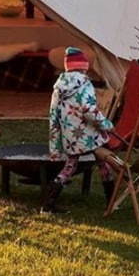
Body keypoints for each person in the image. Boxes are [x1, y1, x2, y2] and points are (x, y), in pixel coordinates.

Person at [44, 46, 117, 213]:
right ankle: (111, 201)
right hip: (90, 136)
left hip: (70, 137)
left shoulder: (58, 88)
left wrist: (55, 146)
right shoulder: (85, 84)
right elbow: (89, 110)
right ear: (83, 67)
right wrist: (106, 124)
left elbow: (53, 116)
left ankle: (48, 204)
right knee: (104, 164)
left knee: (70, 167)